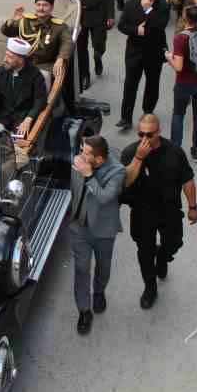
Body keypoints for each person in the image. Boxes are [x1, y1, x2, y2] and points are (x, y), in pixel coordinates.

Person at [119, 114, 197, 310]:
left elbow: (187, 179)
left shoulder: (174, 152)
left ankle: (162, 256)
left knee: (174, 243)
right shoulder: (130, 152)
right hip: (142, 212)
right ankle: (150, 287)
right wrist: (139, 158)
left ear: (159, 132)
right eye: (141, 134)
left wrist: (193, 207)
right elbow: (125, 182)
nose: (145, 139)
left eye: (150, 134)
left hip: (169, 210)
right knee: (145, 254)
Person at [67, 135, 123, 336]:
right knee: (81, 268)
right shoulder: (78, 163)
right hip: (79, 227)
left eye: (86, 153)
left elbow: (105, 198)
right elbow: (73, 189)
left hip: (103, 230)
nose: (81, 155)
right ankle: (84, 310)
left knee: (103, 267)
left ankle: (99, 291)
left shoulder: (117, 171)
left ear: (98, 159)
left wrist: (89, 175)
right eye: (81, 149)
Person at [117, 0, 170, 130]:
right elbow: (122, 25)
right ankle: (125, 118)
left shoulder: (163, 6)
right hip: (134, 52)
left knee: (152, 84)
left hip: (154, 52)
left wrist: (148, 9)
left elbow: (160, 25)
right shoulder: (130, 5)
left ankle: (148, 113)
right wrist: (136, 30)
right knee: (130, 85)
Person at [168, 4, 197, 161]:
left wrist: (168, 56)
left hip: (184, 83)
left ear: (184, 18)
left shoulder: (180, 38)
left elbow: (179, 66)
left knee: (178, 114)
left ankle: (175, 150)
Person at [0, 38, 47, 139]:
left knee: (22, 138)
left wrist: (29, 119)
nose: (4, 59)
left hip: (22, 117)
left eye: (9, 57)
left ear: (21, 60)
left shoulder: (35, 75)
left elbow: (40, 100)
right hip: (2, 116)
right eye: (6, 55)